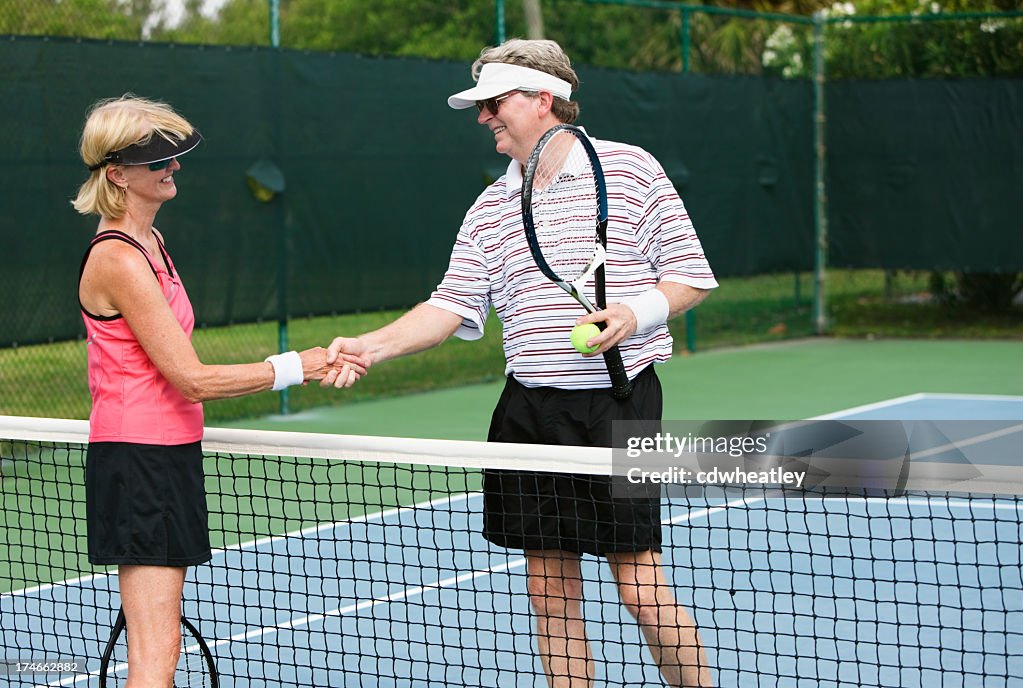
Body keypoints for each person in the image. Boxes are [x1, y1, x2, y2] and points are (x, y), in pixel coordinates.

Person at [322, 39, 717, 687]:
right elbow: (448, 307)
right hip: (527, 412)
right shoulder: (490, 208)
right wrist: (372, 346)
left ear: (543, 99)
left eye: (494, 102)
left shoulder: (633, 170)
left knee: (641, 591)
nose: (483, 117)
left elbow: (690, 278)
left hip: (620, 404)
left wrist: (633, 314)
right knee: (549, 598)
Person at [73, 94, 366, 688]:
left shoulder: (152, 244)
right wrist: (298, 366)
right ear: (117, 175)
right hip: (139, 460)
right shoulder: (119, 259)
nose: (173, 167)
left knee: (163, 648)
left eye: (173, 157)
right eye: (157, 160)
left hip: (166, 455)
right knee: (155, 655)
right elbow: (191, 378)